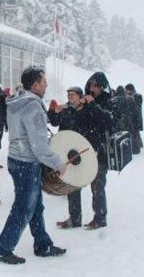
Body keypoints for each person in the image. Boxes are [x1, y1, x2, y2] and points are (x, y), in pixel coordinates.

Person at [0, 66, 67, 265]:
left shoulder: (17, 101)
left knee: (35, 206)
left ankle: (42, 245)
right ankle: (2, 248)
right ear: (34, 85)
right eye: (44, 82)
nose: (46, 85)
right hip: (27, 162)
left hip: (17, 159)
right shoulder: (32, 106)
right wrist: (58, 163)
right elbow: (38, 146)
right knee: (24, 207)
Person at [48, 86, 113, 229]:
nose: (70, 96)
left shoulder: (90, 109)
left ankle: (100, 218)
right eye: (68, 94)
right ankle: (75, 218)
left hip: (94, 155)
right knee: (72, 186)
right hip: (74, 156)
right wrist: (52, 111)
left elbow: (107, 121)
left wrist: (92, 105)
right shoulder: (66, 110)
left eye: (73, 94)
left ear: (80, 96)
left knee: (97, 188)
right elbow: (54, 122)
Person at [125, 83, 143, 154]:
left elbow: (136, 108)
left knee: (135, 133)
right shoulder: (133, 97)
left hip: (135, 119)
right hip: (134, 119)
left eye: (127, 90)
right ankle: (139, 146)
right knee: (135, 133)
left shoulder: (137, 96)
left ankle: (137, 148)